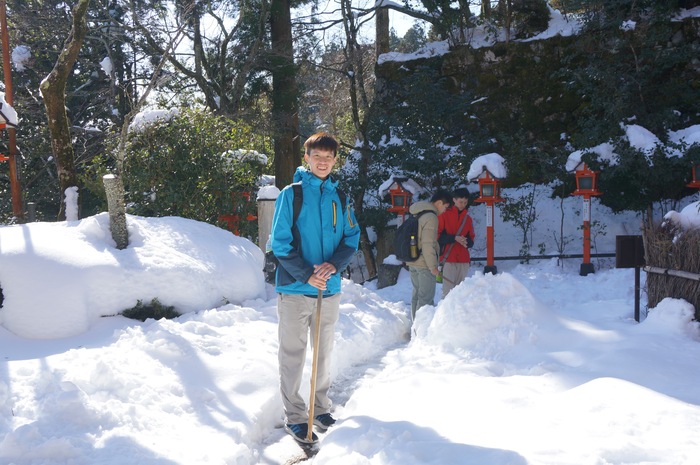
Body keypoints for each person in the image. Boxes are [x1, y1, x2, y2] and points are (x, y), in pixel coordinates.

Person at [269, 132, 361, 444]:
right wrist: (307, 274)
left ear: (335, 160)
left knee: (323, 352)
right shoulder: (291, 195)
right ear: (306, 158)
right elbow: (278, 243)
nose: (322, 162)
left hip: (329, 289)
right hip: (296, 290)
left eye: (328, 157)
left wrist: (333, 265)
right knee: (292, 354)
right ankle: (295, 416)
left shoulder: (341, 196)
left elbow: (351, 237)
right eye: (317, 156)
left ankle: (320, 407)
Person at [406, 189, 452, 321]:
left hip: (413, 260)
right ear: (439, 203)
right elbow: (427, 244)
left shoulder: (417, 213)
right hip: (424, 263)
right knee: (425, 299)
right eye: (446, 206)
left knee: (416, 296)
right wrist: (433, 266)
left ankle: (415, 328)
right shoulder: (431, 217)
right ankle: (421, 332)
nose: (445, 210)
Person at [437, 187, 475, 298]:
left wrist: (466, 242)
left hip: (463, 260)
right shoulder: (444, 215)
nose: (463, 204)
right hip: (448, 259)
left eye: (465, 202)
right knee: (447, 292)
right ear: (454, 200)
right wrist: (455, 238)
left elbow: (471, 240)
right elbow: (437, 237)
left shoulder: (468, 219)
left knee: (461, 293)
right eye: (460, 201)